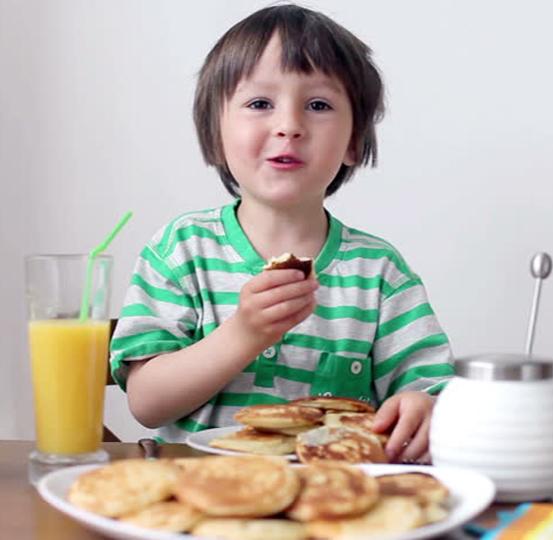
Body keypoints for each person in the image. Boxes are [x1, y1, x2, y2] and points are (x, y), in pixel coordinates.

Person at [110, 4, 454, 463]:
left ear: (354, 142)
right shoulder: (180, 250)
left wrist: (424, 407)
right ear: (216, 133)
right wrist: (244, 334)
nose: (289, 125)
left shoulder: (379, 273)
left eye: (318, 105)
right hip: (206, 498)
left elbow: (434, 394)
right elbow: (147, 403)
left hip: (338, 504)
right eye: (259, 104)